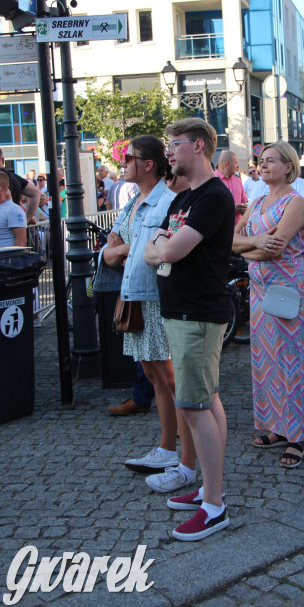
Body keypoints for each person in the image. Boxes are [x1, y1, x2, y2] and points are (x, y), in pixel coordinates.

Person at [144, 118, 234, 542]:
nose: (169, 153)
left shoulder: (213, 196)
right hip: (183, 312)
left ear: (198, 146)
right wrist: (162, 246)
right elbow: (153, 247)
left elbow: (170, 249)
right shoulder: (188, 196)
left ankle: (214, 506)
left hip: (196, 314)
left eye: (175, 144)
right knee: (206, 401)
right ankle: (208, 491)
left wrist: (163, 245)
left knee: (196, 407)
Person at [95, 135, 196, 491]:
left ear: (148, 164)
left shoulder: (168, 201)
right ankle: (168, 447)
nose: (123, 164)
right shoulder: (134, 203)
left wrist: (124, 250)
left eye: (129, 158)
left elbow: (161, 251)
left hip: (157, 297)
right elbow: (108, 253)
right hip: (136, 295)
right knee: (155, 377)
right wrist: (124, 250)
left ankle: (185, 457)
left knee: (170, 379)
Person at [233, 141, 304, 468]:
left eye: (270, 161)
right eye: (261, 161)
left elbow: (275, 249)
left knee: (290, 357)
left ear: (288, 166)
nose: (262, 166)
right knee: (264, 358)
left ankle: (296, 435)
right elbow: (232, 241)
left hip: (286, 287)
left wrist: (248, 249)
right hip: (259, 289)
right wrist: (253, 243)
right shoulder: (258, 200)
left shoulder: (296, 203)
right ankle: (274, 426)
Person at [0, 146, 40, 222]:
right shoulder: (14, 177)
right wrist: (26, 219)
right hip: (15, 226)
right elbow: (36, 192)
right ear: (3, 160)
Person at [0, 170, 27, 247]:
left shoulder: (13, 210)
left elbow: (21, 240)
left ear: (3, 187)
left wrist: (12, 258)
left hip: (4, 257)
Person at [215, 149, 248, 225]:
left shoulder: (238, 181)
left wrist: (244, 210)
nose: (238, 166)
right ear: (227, 163)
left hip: (238, 232)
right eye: (236, 163)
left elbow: (244, 203)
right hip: (219, 232)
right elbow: (207, 210)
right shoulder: (211, 181)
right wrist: (230, 209)